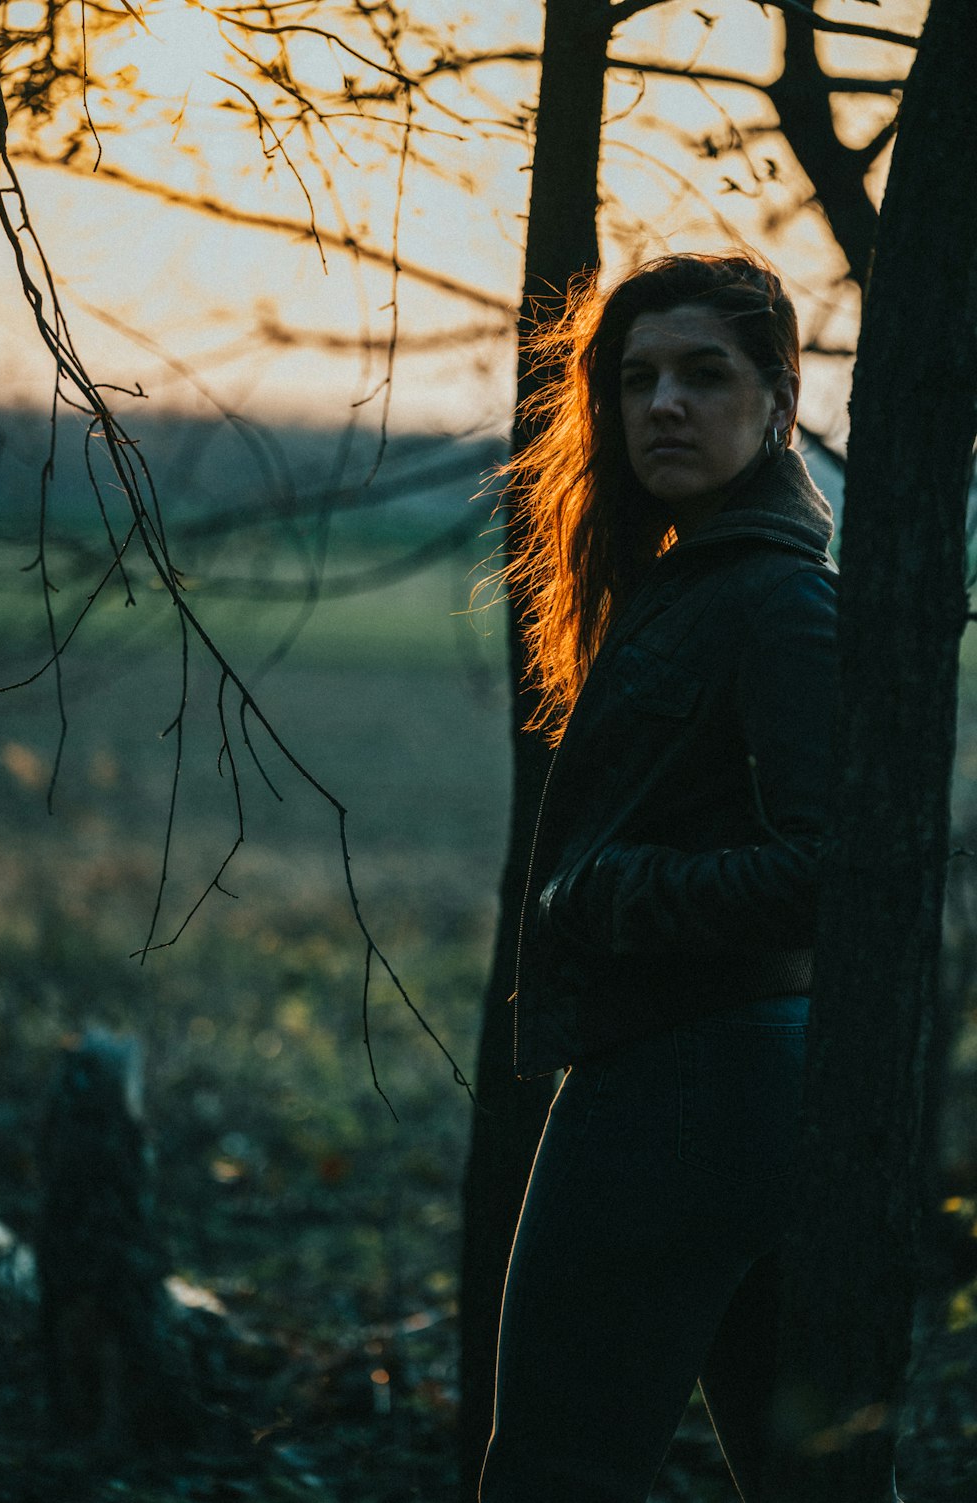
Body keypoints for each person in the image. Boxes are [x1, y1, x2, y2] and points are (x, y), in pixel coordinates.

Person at [478, 252, 843, 1502]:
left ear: (780, 398)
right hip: (727, 1078)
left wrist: (617, 893)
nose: (663, 407)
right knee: (809, 1477)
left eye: (704, 374)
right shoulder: (690, 581)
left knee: (554, 1466)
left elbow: (831, 872)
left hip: (691, 1079)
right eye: (635, 381)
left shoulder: (778, 598)